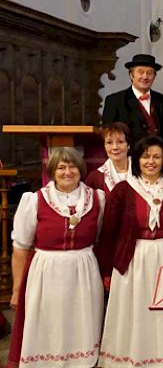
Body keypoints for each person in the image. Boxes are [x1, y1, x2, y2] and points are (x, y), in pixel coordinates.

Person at [7, 147, 105, 368]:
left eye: (72, 166)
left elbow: (99, 237)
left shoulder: (97, 199)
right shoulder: (35, 200)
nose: (67, 172)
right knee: (48, 325)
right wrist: (16, 289)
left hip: (84, 272)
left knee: (81, 325)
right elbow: (21, 247)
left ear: (80, 169)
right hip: (46, 273)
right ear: (52, 171)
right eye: (61, 167)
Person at [97, 135, 163, 368]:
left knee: (162, 311)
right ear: (137, 159)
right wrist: (107, 270)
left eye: (156, 156)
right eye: (146, 156)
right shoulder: (123, 190)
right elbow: (108, 233)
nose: (151, 161)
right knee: (134, 311)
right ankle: (131, 359)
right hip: (133, 258)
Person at [102, 54, 163, 152]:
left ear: (154, 76)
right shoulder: (114, 101)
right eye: (141, 72)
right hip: (129, 160)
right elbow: (108, 135)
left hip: (160, 160)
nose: (145, 76)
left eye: (150, 73)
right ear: (131, 75)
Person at [85, 122, 132, 193]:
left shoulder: (143, 171)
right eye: (109, 142)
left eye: (120, 142)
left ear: (128, 145)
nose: (115, 147)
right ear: (104, 146)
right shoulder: (95, 178)